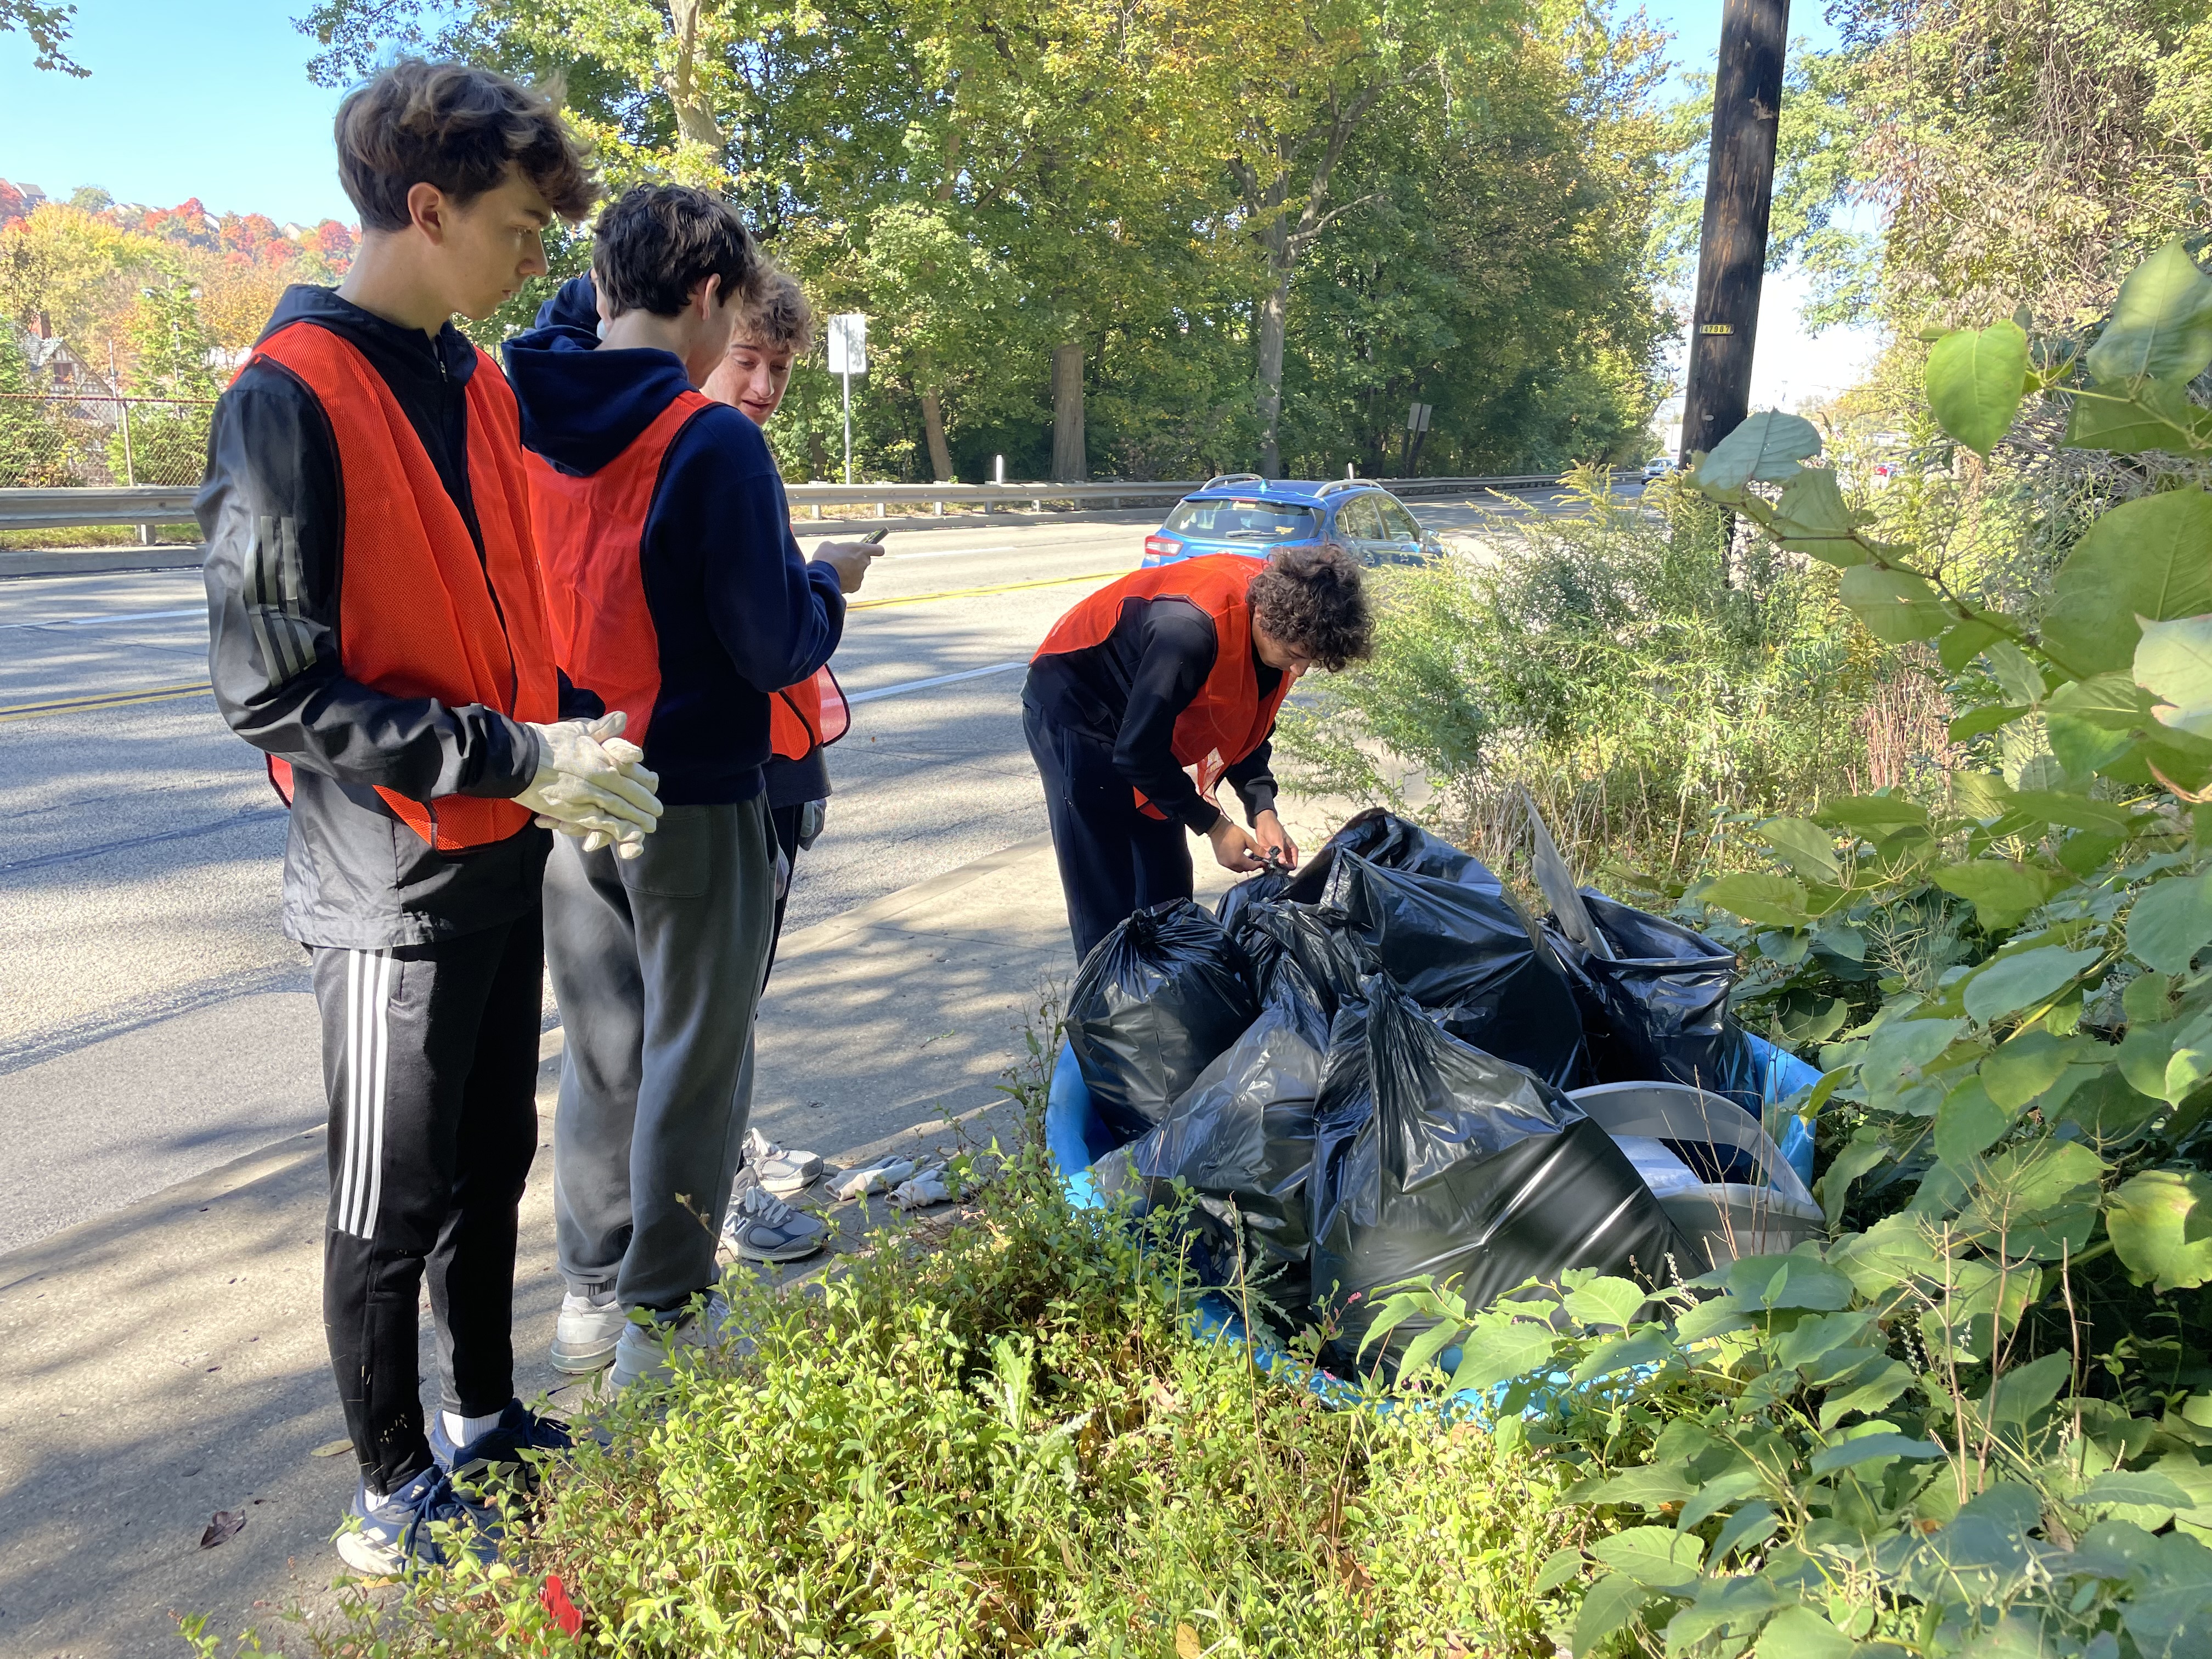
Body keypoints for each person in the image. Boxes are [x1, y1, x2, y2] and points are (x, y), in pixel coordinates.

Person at [198, 60, 664, 1576]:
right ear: (426, 209)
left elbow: (503, 601)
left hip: (493, 849)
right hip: (384, 881)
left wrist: (559, 746)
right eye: (523, 228)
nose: (540, 260)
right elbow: (271, 690)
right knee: (386, 1202)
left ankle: (479, 1418)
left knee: (487, 1165)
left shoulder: (469, 375)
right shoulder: (285, 398)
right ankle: (388, 1489)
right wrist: (508, 755)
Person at [505, 186, 874, 1390]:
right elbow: (773, 644)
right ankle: (663, 1329)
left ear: (604, 287)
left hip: (574, 781)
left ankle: (587, 1299)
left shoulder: (526, 404)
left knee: (604, 1045)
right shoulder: (711, 441)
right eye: (738, 330)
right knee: (696, 1058)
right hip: (698, 790)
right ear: (711, 298)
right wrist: (825, 578)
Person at [1023, 545, 1373, 961]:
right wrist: (1215, 827)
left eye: (1312, 661)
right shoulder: (1187, 632)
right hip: (1075, 708)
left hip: (1143, 723)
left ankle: (1175, 1000)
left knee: (1167, 887)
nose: (1299, 671)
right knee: (1107, 890)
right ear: (1263, 617)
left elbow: (1250, 723)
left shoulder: (1291, 628)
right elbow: (1137, 754)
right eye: (1297, 657)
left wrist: (1263, 809)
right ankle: (1106, 1007)